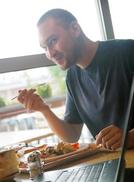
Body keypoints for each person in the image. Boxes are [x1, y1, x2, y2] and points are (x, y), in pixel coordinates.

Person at [17, 8, 134, 150]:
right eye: (45, 48)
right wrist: (44, 109)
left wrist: (129, 138)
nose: (50, 53)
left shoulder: (128, 52)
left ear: (75, 29)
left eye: (53, 41)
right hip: (112, 165)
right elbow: (72, 134)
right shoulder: (73, 77)